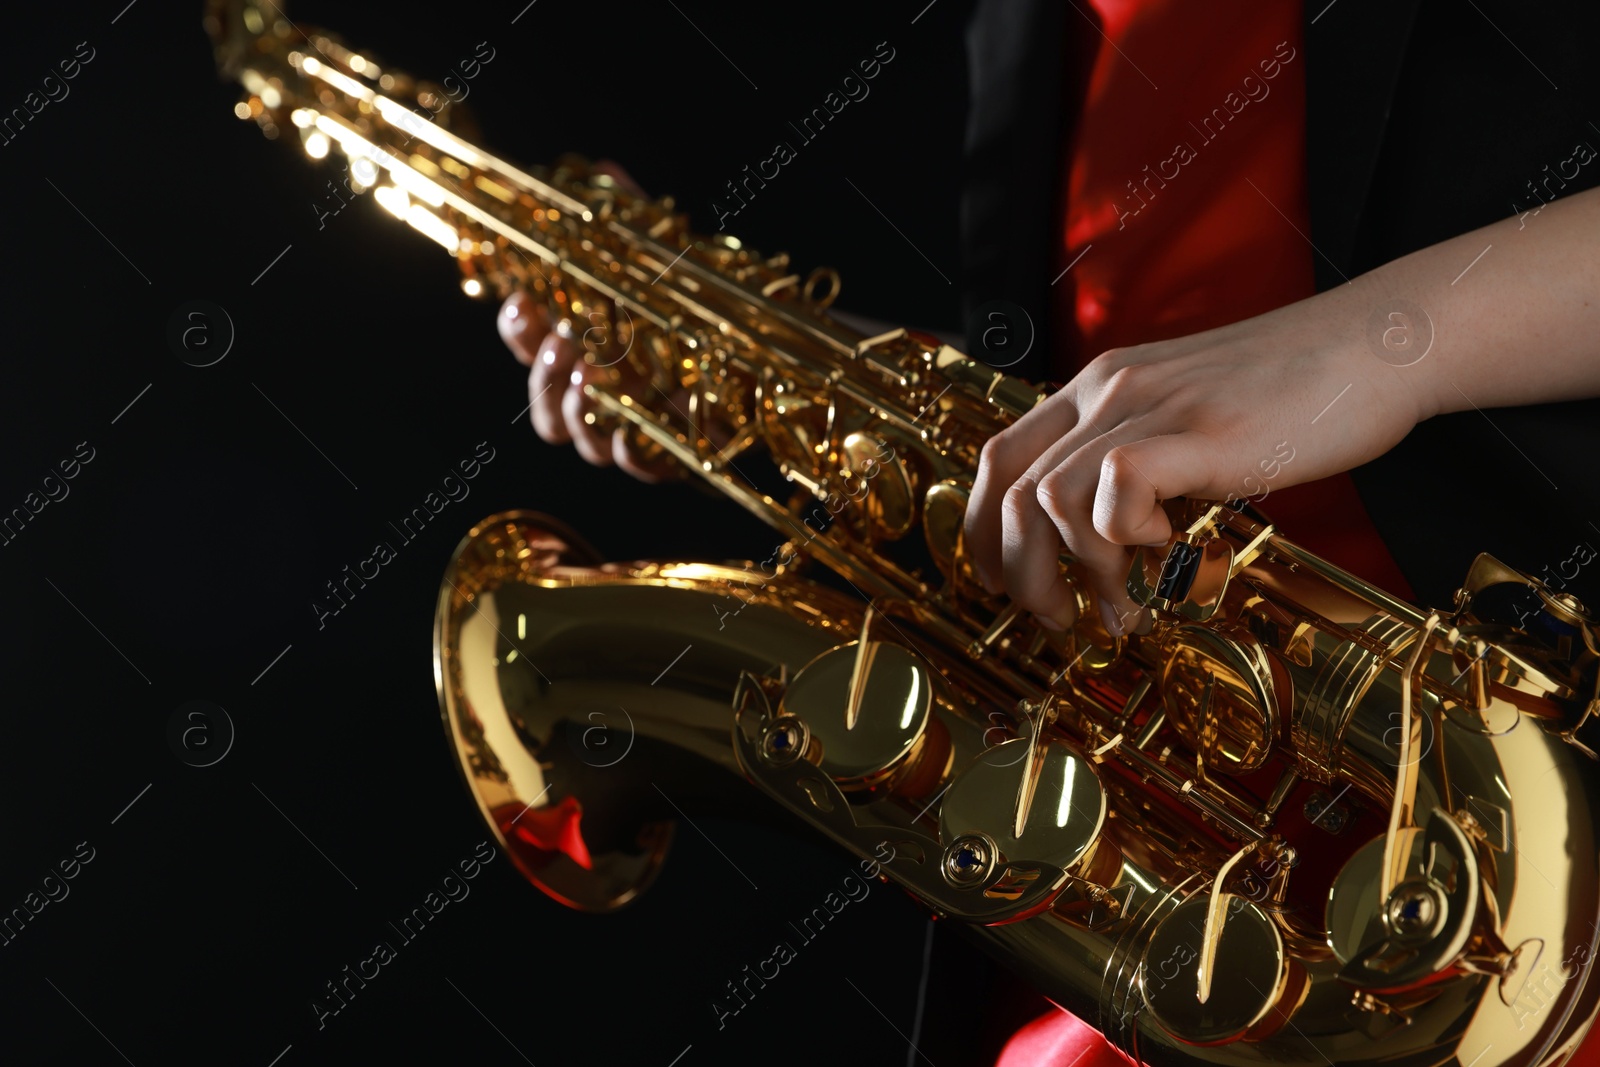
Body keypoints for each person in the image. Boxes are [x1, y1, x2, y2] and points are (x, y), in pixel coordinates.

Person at [500, 2, 1600, 1063]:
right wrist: (771, 362)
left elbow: (1285, 354)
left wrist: (1383, 342)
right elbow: (1119, 370)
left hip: (1517, 867)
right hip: (1166, 910)